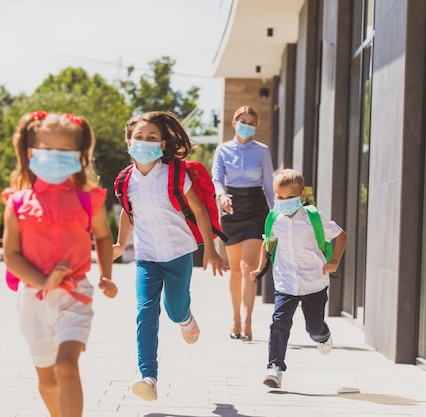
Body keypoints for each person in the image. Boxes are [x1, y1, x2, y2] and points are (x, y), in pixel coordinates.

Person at [2, 111, 118, 417]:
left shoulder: (87, 198)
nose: (56, 158)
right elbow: (11, 255)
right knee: (48, 381)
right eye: (48, 150)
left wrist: (106, 275)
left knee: (66, 365)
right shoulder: (16, 202)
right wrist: (43, 281)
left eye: (65, 151)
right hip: (33, 300)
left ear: (79, 156)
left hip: (75, 294)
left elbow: (104, 237)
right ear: (31, 153)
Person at [112, 110, 229, 402]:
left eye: (152, 137)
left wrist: (210, 250)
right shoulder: (126, 181)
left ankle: (186, 318)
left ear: (162, 144)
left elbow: (200, 211)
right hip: (147, 257)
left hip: (178, 253)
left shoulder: (175, 174)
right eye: (139, 137)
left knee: (175, 309)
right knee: (145, 312)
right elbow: (129, 214)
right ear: (129, 143)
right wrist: (119, 244)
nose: (145, 141)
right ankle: (147, 377)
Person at [250, 169, 347, 389]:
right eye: (279, 197)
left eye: (288, 197)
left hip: (314, 282)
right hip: (285, 283)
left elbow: (341, 235)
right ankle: (275, 367)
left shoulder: (314, 218)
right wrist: (259, 268)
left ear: (302, 195)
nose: (283, 202)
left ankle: (322, 335)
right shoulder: (274, 219)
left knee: (313, 327)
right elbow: (269, 244)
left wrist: (335, 261)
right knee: (279, 324)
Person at [211, 105, 275, 342]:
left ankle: (248, 320)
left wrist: (275, 215)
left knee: (249, 265)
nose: (247, 125)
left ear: (255, 127)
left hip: (256, 208)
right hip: (231, 207)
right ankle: (235, 317)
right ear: (234, 122)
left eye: (251, 122)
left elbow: (269, 185)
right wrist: (221, 195)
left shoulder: (262, 151)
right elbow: (217, 178)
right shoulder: (223, 150)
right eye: (243, 120)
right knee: (236, 268)